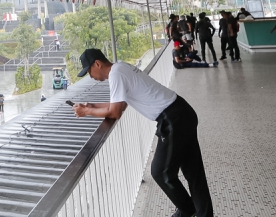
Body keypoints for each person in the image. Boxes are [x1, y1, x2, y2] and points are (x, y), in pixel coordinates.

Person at [73, 49, 213, 217]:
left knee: (160, 172)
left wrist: (87, 112)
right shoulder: (120, 68)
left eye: (89, 71)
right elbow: (120, 105)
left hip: (173, 119)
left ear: (97, 63)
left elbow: (115, 112)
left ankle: (187, 209)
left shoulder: (116, 74)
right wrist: (91, 107)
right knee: (194, 173)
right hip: (182, 112)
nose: (90, 76)